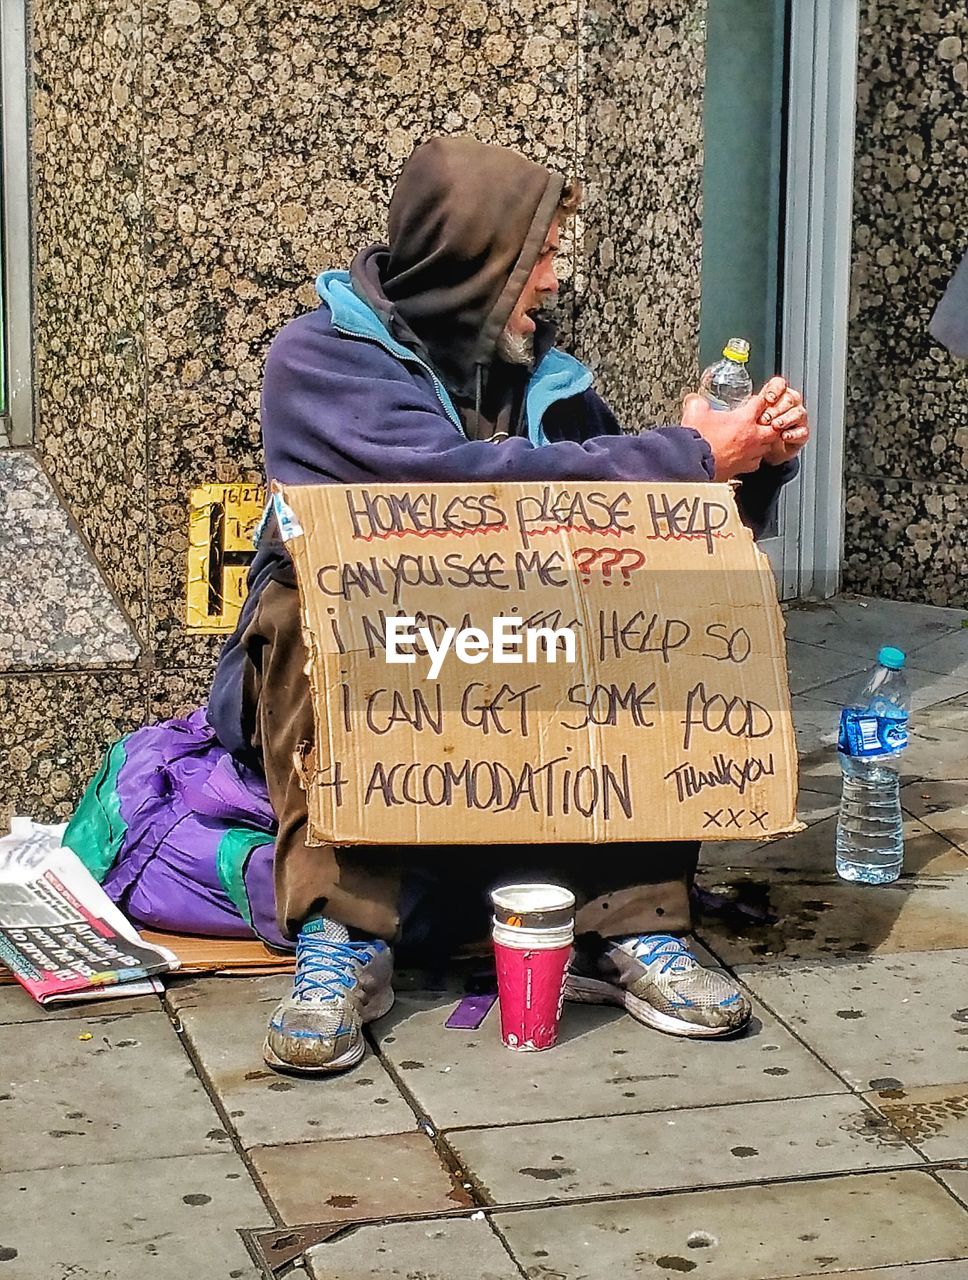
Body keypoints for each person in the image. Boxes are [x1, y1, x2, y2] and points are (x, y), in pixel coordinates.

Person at [203, 135, 810, 1074]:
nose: (553, 282)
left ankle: (630, 922)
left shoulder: (545, 376)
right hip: (364, 669)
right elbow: (467, 490)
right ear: (472, 259)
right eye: (541, 257)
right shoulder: (319, 359)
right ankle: (345, 936)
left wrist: (746, 469)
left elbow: (639, 519)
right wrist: (682, 454)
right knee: (308, 605)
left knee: (634, 600)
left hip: (505, 677)